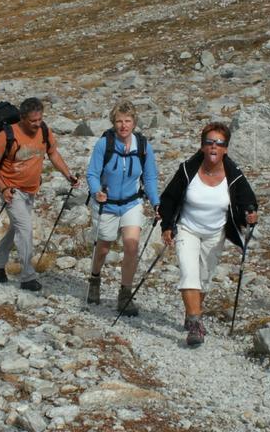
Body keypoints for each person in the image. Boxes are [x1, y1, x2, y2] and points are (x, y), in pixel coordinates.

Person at [159, 122, 258, 347]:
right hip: (187, 229)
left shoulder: (234, 175)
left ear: (225, 149)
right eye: (209, 142)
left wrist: (250, 215)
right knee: (189, 273)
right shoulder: (188, 170)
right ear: (202, 146)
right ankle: (195, 324)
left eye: (219, 143)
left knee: (204, 279)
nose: (214, 146)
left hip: (215, 233)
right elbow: (169, 198)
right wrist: (167, 226)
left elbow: (248, 201)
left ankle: (191, 312)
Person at [0, 97, 79, 291]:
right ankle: (28, 277)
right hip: (11, 189)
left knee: (17, 228)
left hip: (30, 189)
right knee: (25, 229)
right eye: (32, 121)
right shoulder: (6, 135)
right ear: (22, 118)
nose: (37, 124)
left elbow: (53, 153)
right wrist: (3, 188)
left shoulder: (44, 130)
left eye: (40, 119)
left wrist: (68, 174)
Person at [86, 100, 160, 316]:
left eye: (128, 121)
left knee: (131, 246)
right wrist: (96, 191)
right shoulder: (104, 144)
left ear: (134, 122)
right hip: (106, 204)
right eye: (119, 121)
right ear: (113, 122)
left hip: (131, 203)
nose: (123, 125)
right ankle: (95, 279)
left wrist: (156, 202)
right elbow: (92, 173)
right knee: (103, 249)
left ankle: (125, 294)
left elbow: (150, 177)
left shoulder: (143, 147)